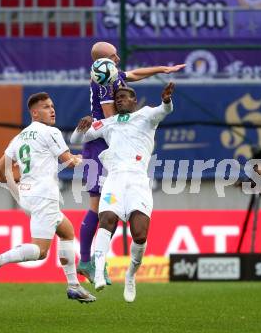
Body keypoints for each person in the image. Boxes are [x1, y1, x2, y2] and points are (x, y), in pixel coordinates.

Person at [77, 41, 185, 284]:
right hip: (101, 144)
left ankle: (95, 261)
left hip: (112, 144)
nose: (118, 58)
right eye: (114, 55)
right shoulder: (103, 82)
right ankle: (86, 261)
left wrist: (162, 69)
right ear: (101, 61)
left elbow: (134, 74)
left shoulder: (111, 73)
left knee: (109, 208)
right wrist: (136, 121)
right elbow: (111, 120)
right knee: (98, 205)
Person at [0, 92, 96, 303]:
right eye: (45, 107)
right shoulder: (50, 132)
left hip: (28, 197)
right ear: (34, 113)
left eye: (52, 106)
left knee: (67, 231)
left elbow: (0, 169)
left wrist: (18, 194)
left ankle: (73, 285)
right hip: (44, 195)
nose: (52, 110)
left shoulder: (19, 137)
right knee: (41, 252)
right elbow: (69, 161)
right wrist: (82, 159)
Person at [71, 83, 175, 302]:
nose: (119, 100)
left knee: (140, 234)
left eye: (124, 96)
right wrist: (81, 128)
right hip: (115, 180)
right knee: (106, 219)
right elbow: (76, 141)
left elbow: (164, 111)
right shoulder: (108, 124)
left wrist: (166, 100)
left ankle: (130, 275)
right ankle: (98, 271)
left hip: (138, 182)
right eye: (117, 97)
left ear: (134, 100)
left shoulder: (146, 116)